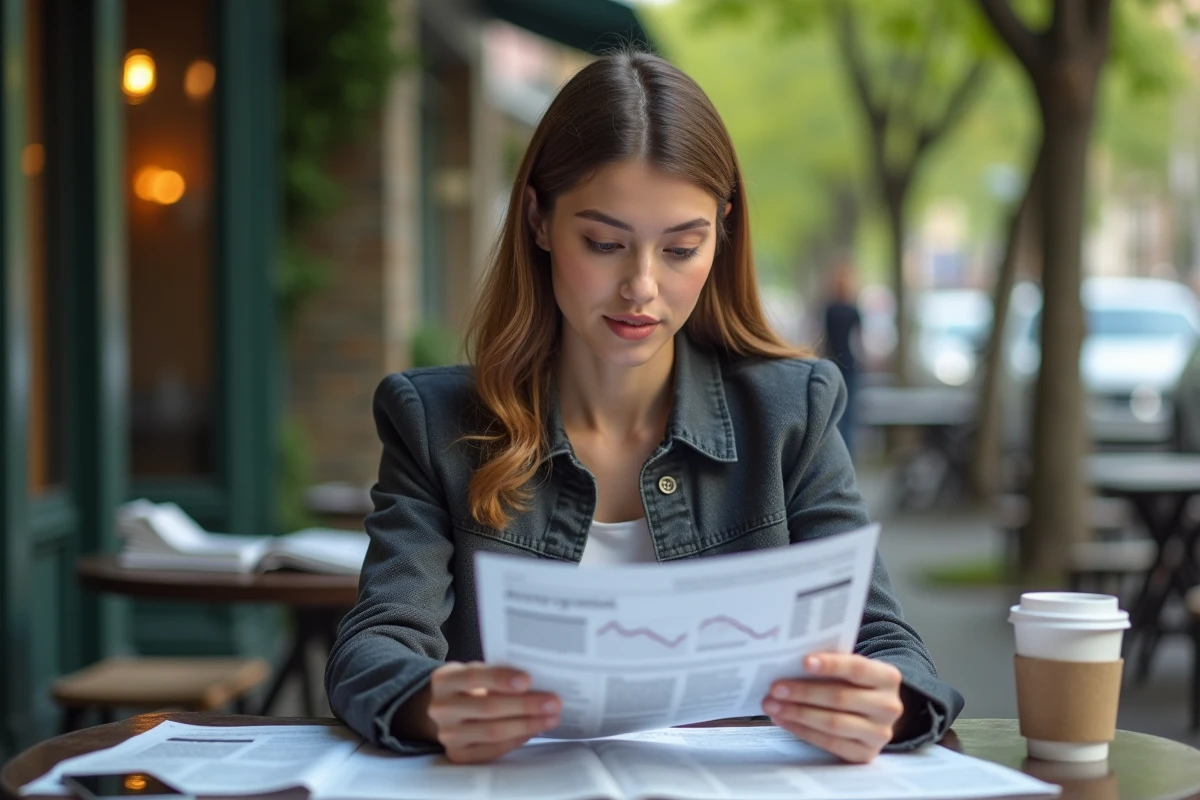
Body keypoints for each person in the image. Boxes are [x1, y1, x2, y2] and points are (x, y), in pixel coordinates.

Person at [325, 50, 963, 766]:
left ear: (721, 233)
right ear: (538, 219)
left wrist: (887, 703)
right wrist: (427, 704)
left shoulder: (791, 412)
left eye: (681, 248)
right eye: (604, 243)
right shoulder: (436, 422)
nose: (641, 287)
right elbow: (374, 645)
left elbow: (887, 644)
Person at [822, 265, 863, 455]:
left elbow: (825, 340)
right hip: (850, 364)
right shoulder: (853, 311)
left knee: (834, 414)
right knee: (849, 414)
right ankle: (847, 454)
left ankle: (836, 453)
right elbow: (858, 341)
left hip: (832, 363)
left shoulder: (830, 310)